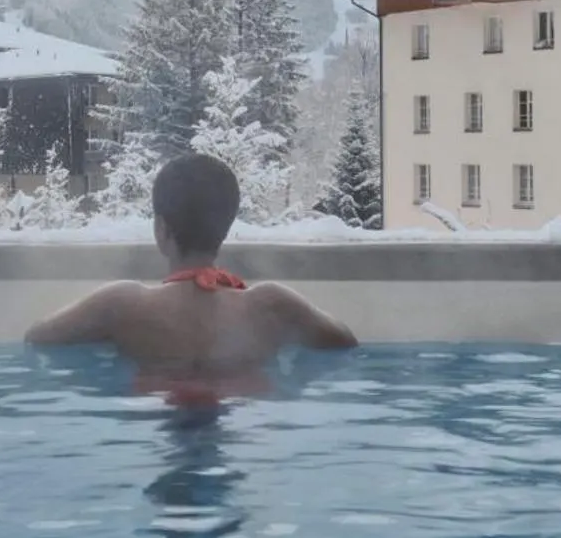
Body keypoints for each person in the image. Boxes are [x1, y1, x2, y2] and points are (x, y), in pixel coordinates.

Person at [24, 152, 356, 395]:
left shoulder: (122, 305)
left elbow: (37, 337)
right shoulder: (273, 305)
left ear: (161, 229)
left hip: (159, 424)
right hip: (244, 425)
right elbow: (344, 342)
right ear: (226, 229)